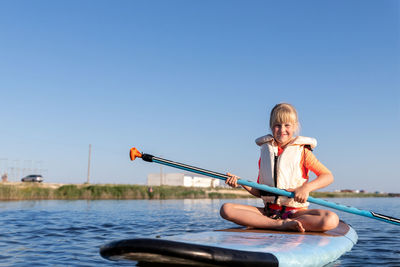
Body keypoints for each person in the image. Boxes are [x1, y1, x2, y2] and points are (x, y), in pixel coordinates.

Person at [220, 103, 339, 232]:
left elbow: (327, 176)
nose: (282, 130)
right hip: (268, 212)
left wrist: (305, 188)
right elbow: (260, 192)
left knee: (331, 219)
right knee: (226, 209)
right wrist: (240, 182)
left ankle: (281, 223)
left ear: (295, 127)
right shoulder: (266, 151)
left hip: (295, 212)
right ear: (271, 127)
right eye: (277, 125)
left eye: (287, 125)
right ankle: (279, 225)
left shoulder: (303, 152)